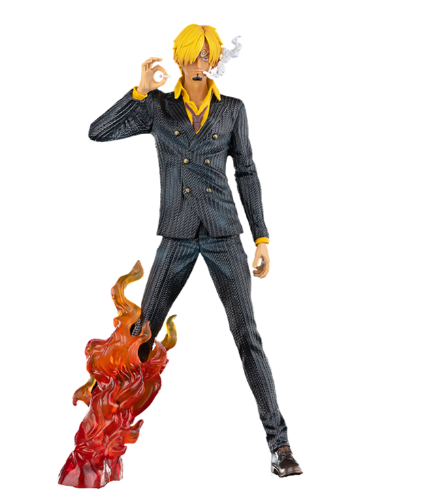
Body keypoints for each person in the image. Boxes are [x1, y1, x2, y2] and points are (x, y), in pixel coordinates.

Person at [88, 24, 302, 478]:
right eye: (191, 56)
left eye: (206, 56)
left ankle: (279, 444)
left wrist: (261, 238)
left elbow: (247, 172)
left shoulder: (232, 110)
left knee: (247, 336)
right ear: (180, 58)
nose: (197, 64)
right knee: (141, 336)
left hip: (224, 234)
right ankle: (102, 443)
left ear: (216, 60)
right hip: (178, 234)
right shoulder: (159, 107)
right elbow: (97, 132)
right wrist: (139, 92)